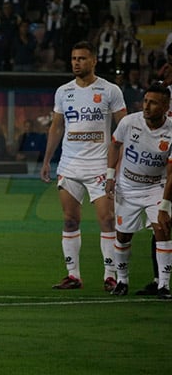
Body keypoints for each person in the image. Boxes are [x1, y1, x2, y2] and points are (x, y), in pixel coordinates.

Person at [40, 40, 127, 291]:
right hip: (69, 166)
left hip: (100, 166)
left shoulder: (110, 90)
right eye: (73, 59)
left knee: (107, 220)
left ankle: (110, 275)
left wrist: (119, 163)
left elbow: (124, 127)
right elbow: (56, 127)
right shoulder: (63, 91)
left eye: (81, 58)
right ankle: (73, 275)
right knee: (70, 220)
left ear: (94, 61)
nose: (76, 63)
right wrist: (47, 160)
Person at [105, 82, 172, 299]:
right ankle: (122, 281)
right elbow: (115, 145)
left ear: (166, 106)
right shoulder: (129, 122)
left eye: (153, 103)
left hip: (156, 187)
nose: (146, 106)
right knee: (123, 236)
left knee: (162, 230)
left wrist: (165, 206)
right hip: (127, 187)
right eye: (145, 101)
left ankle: (164, 285)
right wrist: (110, 175)